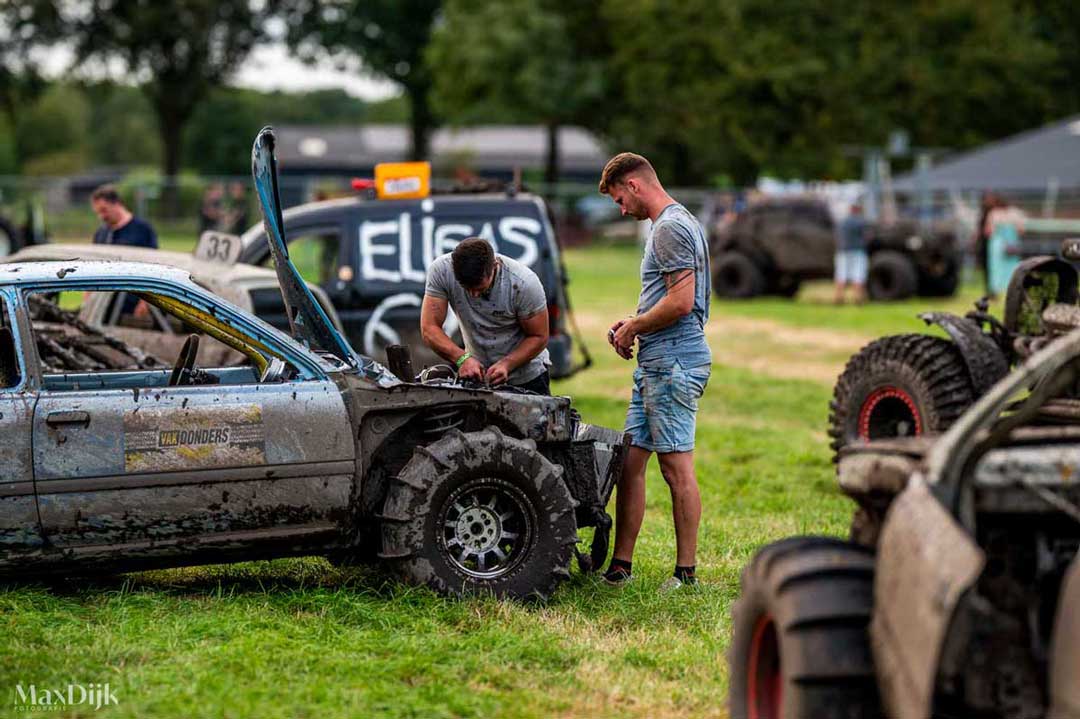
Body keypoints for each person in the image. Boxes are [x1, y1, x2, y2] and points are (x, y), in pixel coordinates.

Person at [599, 152, 712, 591]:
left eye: (618, 200)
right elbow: (670, 298)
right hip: (658, 358)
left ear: (634, 185)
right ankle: (621, 566)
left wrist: (635, 326)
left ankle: (686, 575)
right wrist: (634, 324)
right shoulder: (676, 223)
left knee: (675, 467)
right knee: (630, 462)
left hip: (674, 361)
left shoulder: (668, 229)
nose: (620, 209)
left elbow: (683, 304)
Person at [420, 237, 552, 394]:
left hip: (527, 379)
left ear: (495, 266)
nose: (473, 294)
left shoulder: (523, 284)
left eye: (480, 288)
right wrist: (462, 359)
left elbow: (539, 336)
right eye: (466, 287)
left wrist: (507, 364)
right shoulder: (441, 270)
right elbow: (429, 327)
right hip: (477, 379)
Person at [90, 185, 158, 248]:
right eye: (98, 213)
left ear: (116, 204)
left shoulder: (143, 229)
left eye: (104, 210)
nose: (101, 216)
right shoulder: (101, 233)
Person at [986, 195, 1026, 297]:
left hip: (998, 244)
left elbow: (989, 231)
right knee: (1012, 267)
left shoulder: (994, 214)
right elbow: (1021, 230)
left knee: (997, 268)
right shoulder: (1016, 213)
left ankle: (996, 290)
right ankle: (1012, 287)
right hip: (1011, 244)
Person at [834, 201, 868, 304]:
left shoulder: (842, 222)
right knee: (858, 275)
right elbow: (866, 236)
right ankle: (858, 298)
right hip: (857, 251)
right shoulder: (861, 222)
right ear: (857, 210)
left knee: (841, 275)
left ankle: (839, 298)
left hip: (842, 251)